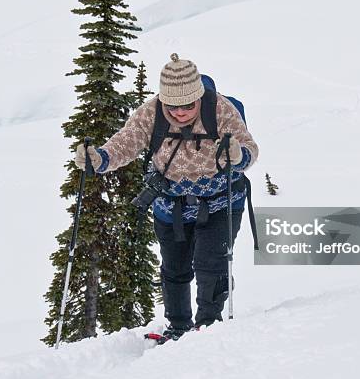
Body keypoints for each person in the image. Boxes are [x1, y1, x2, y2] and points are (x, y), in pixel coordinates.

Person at [74, 53, 259, 339]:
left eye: (187, 105)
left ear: (198, 96)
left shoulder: (220, 110)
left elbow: (249, 148)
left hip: (221, 200)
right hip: (170, 203)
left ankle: (209, 327)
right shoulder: (152, 112)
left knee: (212, 265)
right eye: (173, 106)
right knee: (174, 268)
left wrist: (239, 154)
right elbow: (126, 143)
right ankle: (178, 326)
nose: (180, 112)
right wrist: (99, 159)